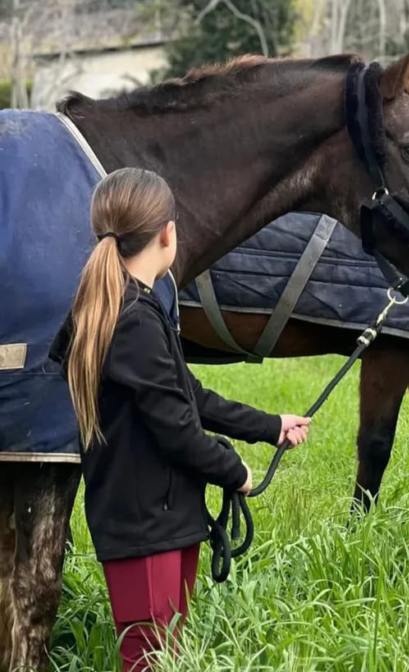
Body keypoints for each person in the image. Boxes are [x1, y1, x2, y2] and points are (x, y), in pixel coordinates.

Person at [48, 167, 311, 672]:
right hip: (145, 523)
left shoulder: (135, 306)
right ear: (167, 232)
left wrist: (269, 425)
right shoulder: (132, 320)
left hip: (164, 517)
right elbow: (178, 430)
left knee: (165, 656)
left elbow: (189, 396)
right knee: (148, 661)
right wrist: (236, 472)